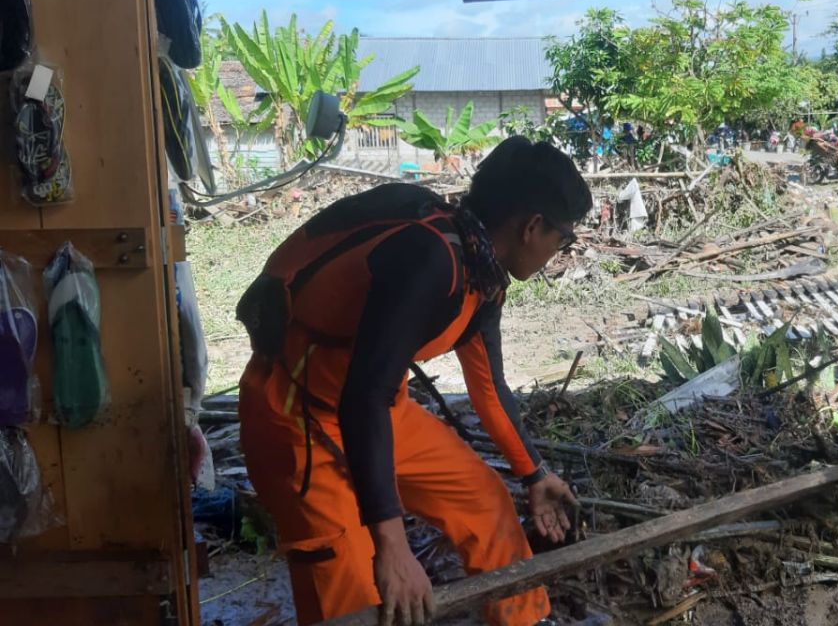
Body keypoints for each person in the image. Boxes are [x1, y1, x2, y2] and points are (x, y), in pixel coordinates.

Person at [236, 137, 592, 626]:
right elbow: (363, 397)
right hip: (299, 416)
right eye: (563, 238)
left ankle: (526, 621)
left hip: (381, 411)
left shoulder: (479, 271)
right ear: (532, 227)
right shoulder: (430, 259)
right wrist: (392, 546)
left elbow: (488, 387)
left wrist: (534, 474)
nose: (559, 251)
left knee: (486, 505)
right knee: (353, 593)